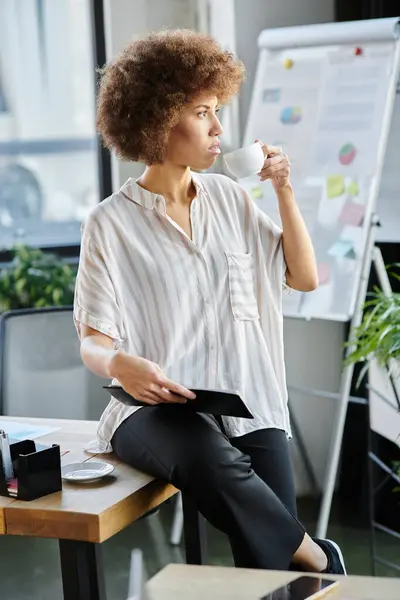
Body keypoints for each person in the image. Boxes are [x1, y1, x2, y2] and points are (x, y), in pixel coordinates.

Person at [74, 29, 346, 574]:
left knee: (267, 562)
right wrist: (119, 363)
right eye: (203, 112)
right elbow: (93, 340)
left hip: (248, 402)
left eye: (216, 110)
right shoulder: (109, 223)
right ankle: (316, 553)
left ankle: (300, 561)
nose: (218, 128)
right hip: (153, 409)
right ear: (158, 119)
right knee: (213, 460)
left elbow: (305, 276)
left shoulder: (230, 199)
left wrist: (285, 190)